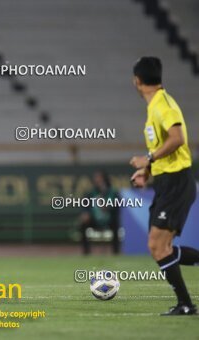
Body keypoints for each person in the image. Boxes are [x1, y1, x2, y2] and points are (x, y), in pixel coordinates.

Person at [130, 56, 199, 316]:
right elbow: (163, 148)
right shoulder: (155, 107)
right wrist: (146, 171)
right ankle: (185, 305)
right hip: (167, 182)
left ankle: (186, 304)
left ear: (137, 81)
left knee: (158, 246)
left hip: (177, 182)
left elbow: (178, 138)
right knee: (159, 247)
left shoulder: (163, 105)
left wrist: (147, 158)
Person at [79, 171, 120, 255]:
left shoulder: (112, 193)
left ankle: (116, 252)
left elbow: (116, 207)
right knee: (83, 224)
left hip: (109, 219)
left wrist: (107, 206)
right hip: (95, 219)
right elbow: (85, 207)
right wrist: (86, 214)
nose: (97, 180)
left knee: (116, 224)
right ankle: (86, 252)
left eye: (99, 178)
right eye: (96, 178)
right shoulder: (91, 193)